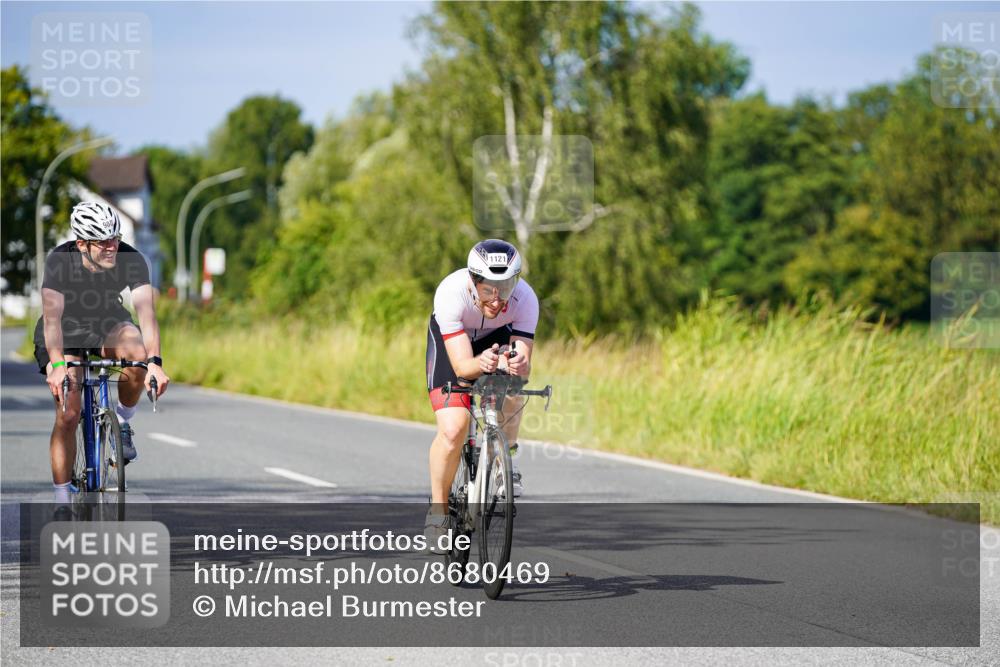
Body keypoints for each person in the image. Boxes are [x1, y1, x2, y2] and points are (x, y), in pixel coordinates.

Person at [33, 201, 169, 503]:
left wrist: (155, 363)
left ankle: (121, 421)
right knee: (68, 412)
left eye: (115, 239)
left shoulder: (131, 259)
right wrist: (57, 365)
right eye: (103, 242)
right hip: (64, 333)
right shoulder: (59, 261)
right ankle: (61, 500)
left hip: (107, 321)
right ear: (81, 244)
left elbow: (146, 314)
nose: (112, 247)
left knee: (137, 353)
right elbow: (52, 320)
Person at [424, 239, 538, 550]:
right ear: (474, 281)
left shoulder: (525, 299)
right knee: (453, 429)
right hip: (455, 346)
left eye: (506, 286)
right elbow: (462, 366)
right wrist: (481, 363)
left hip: (496, 340)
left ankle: (505, 459)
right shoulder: (451, 293)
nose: (498, 297)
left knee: (515, 384)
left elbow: (523, 360)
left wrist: (517, 362)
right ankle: (438, 510)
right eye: (489, 288)